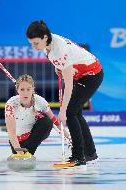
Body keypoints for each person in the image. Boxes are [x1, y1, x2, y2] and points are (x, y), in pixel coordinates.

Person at [26, 20, 104, 166]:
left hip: (92, 75)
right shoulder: (48, 43)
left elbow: (68, 85)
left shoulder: (59, 50)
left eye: (35, 43)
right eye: (31, 43)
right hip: (82, 74)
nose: (33, 47)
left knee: (70, 112)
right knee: (76, 113)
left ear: (44, 37)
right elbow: (64, 63)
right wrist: (59, 67)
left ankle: (78, 156)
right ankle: (90, 152)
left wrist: (62, 112)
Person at [5, 74, 70, 155]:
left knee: (47, 121)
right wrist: (20, 152)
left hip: (32, 139)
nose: (25, 93)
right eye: (22, 89)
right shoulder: (11, 104)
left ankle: (29, 151)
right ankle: (26, 152)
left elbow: (55, 122)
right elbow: (11, 134)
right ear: (17, 90)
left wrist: (69, 137)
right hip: (17, 142)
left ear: (33, 89)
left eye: (28, 89)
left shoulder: (40, 102)